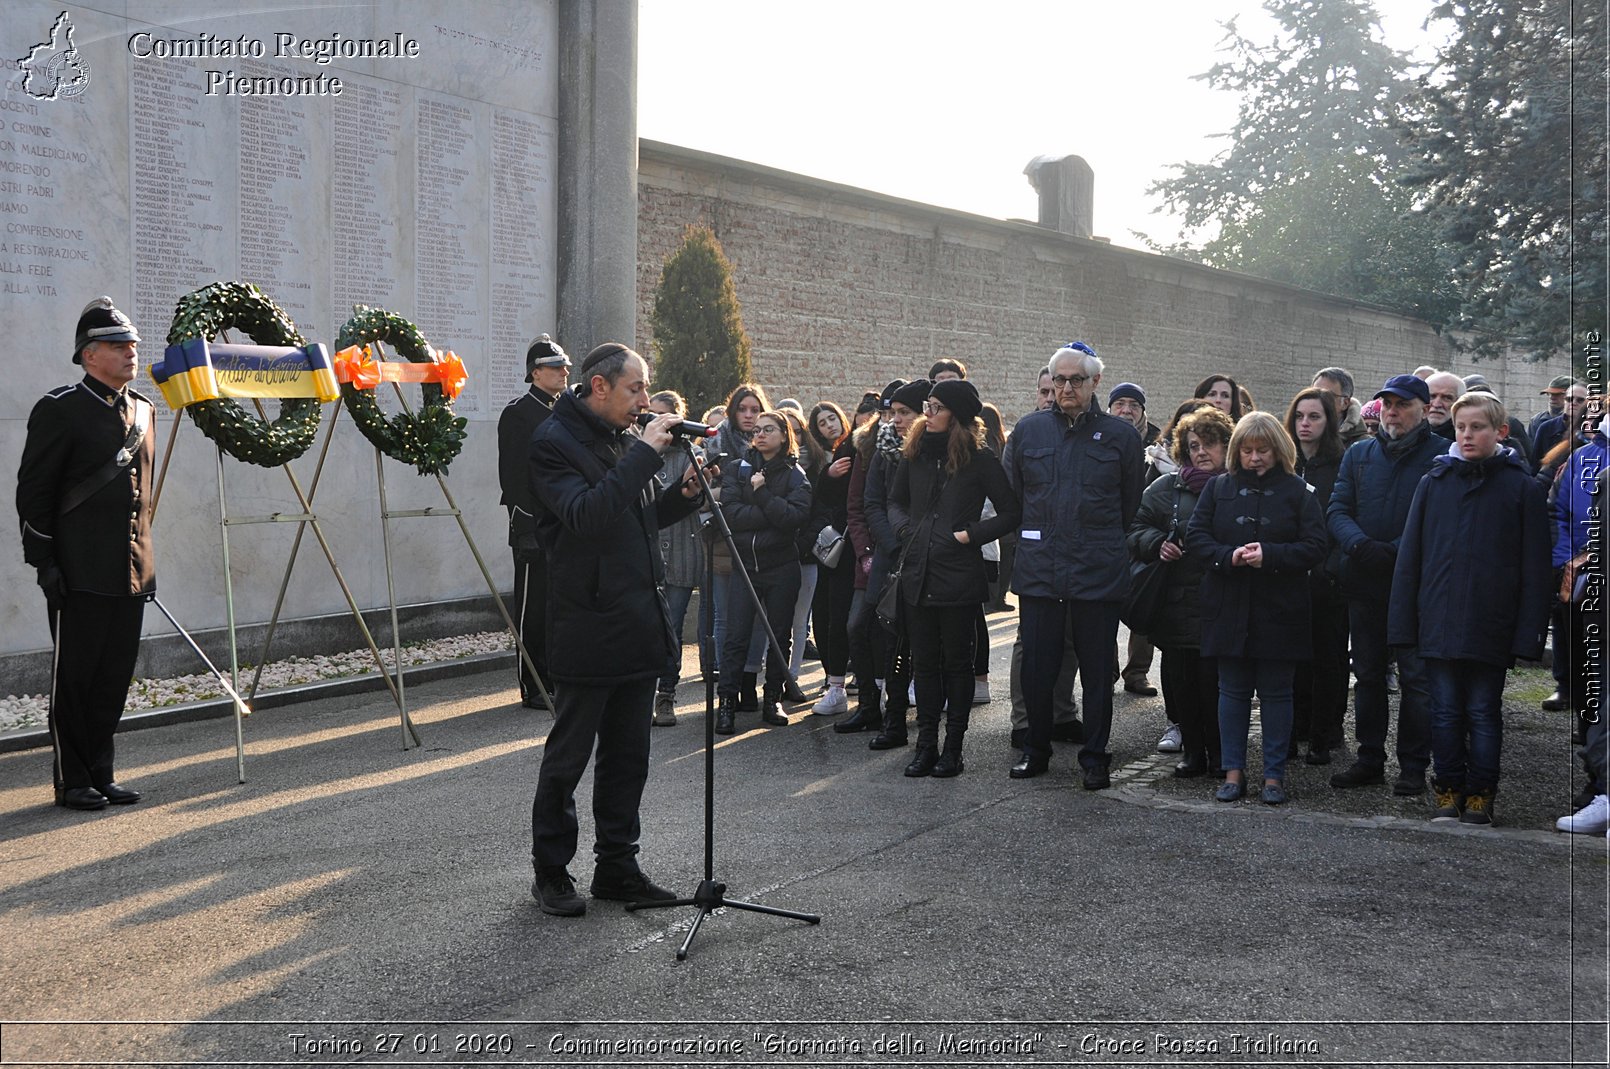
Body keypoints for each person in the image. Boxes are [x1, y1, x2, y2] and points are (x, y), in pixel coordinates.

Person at [526, 343, 705, 916]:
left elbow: (632, 520)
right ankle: (552, 871)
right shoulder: (552, 443)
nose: (645, 404)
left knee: (629, 757)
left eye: (647, 392)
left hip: (634, 622)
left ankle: (617, 868)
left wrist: (681, 498)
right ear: (599, 387)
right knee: (569, 757)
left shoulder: (617, 439)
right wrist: (647, 456)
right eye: (636, 391)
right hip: (587, 624)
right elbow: (585, 517)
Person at [16, 296, 154, 811]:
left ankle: (102, 772)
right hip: (78, 569)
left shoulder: (144, 409)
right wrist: (45, 562)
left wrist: (143, 562)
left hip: (131, 570)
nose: (130, 352)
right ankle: (72, 779)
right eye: (118, 345)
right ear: (88, 354)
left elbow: (143, 495)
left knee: (113, 676)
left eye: (133, 344)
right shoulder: (60, 409)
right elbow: (34, 493)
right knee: (75, 678)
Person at [1389, 391, 1552, 826]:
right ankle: (1447, 788)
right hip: (1438, 621)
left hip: (1490, 623)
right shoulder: (1435, 482)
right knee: (1442, 711)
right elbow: (1411, 558)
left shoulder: (1521, 487)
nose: (1466, 435)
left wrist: (1528, 633)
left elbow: (1534, 568)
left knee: (1482, 711)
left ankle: (1480, 792)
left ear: (1499, 432)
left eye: (1477, 427)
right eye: (1460, 427)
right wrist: (1404, 623)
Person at [1007, 342, 1143, 788]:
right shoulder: (1028, 432)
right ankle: (1036, 749)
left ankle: (1095, 757)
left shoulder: (1122, 437)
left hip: (1097, 570)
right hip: (1042, 570)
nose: (1067, 388)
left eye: (1076, 380)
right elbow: (1017, 498)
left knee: (1098, 671)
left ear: (1094, 382)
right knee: (1038, 670)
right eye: (1059, 380)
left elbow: (1129, 506)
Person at [1187, 412, 1328, 805]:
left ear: (1278, 450)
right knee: (1230, 692)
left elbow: (1316, 546)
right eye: (1247, 450)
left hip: (1280, 608)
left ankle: (1274, 776)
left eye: (1262, 450)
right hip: (1228, 605)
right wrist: (1228, 556)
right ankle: (1233, 772)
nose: (1254, 458)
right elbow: (1197, 537)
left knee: (1277, 693)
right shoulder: (1218, 488)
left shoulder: (1300, 491)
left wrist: (1272, 555)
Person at [888, 379, 1020, 777]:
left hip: (959, 575)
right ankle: (926, 744)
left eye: (936, 407)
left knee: (957, 664)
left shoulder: (980, 460)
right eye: (927, 405)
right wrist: (904, 531)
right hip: (917, 572)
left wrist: (971, 535)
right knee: (923, 663)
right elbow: (894, 501)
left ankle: (954, 748)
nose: (927, 414)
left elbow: (1012, 512)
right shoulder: (914, 453)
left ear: (958, 416)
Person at [1327, 374, 1449, 795]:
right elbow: (1338, 506)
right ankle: (1369, 758)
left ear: (1422, 408)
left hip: (1415, 587)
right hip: (1364, 581)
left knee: (1416, 679)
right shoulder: (1360, 453)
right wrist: (1358, 543)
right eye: (1387, 405)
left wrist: (1396, 551)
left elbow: (1440, 520)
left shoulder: (1440, 456)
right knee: (1368, 675)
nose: (1392, 413)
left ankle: (1414, 765)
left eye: (1401, 405)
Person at [1127, 406, 1234, 778]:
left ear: (1226, 446)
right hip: (1174, 602)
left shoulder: (1238, 486)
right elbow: (1134, 528)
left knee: (1217, 685)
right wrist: (1157, 542)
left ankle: (1222, 754)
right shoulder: (1165, 487)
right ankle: (1193, 752)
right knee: (1182, 685)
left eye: (1209, 444)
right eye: (1192, 445)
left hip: (1221, 602)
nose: (1201, 452)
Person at [714, 409, 813, 734]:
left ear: (784, 435)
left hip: (782, 567)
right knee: (735, 636)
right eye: (757, 429)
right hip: (745, 566)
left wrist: (761, 494)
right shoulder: (737, 468)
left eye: (768, 429)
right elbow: (730, 515)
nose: (760, 434)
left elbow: (791, 521)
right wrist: (769, 512)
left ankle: (772, 700)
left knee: (779, 635)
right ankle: (726, 703)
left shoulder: (797, 476)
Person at [498, 334, 570, 709]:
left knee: (559, 606)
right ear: (536, 372)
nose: (564, 373)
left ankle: (556, 677)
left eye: (564, 367)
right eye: (556, 367)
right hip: (534, 526)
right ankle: (533, 683)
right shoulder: (518, 413)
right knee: (533, 608)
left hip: (563, 523)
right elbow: (512, 477)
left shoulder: (563, 411)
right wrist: (524, 527)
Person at [862, 378, 928, 748]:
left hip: (929, 559)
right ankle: (893, 720)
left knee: (926, 646)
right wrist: (893, 543)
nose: (895, 420)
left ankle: (931, 728)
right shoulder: (883, 451)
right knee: (892, 645)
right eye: (894, 413)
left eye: (905, 413)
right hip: (893, 558)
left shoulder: (932, 452)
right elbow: (874, 503)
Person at [1285, 386, 1349, 764]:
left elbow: (1341, 517)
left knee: (1329, 657)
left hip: (1328, 577)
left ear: (1329, 421)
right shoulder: (1285, 462)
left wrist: (1330, 567)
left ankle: (1327, 729)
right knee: (1293, 656)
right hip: (1290, 575)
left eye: (1314, 417)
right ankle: (1297, 724)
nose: (1305, 424)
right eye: (1299, 417)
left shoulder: (1342, 463)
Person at [704, 383, 771, 713]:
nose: (748, 416)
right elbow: (702, 494)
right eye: (742, 409)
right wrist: (730, 496)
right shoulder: (715, 441)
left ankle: (748, 681)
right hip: (722, 540)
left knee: (758, 617)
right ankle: (725, 684)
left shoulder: (770, 443)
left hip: (758, 543)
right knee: (725, 616)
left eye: (754, 410)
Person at [649, 389, 711, 727]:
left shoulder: (693, 452)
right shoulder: (641, 450)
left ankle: (666, 694)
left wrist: (697, 488)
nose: (655, 421)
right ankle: (643, 693)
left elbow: (702, 506)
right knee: (650, 629)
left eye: (663, 415)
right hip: (652, 552)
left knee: (672, 628)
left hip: (685, 551)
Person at [1107, 381, 1160, 697]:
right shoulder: (1097, 438)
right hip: (1108, 535)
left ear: (1143, 411)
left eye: (1134, 405)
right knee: (1105, 608)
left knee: (1145, 603)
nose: (1126, 410)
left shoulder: (1158, 444)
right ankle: (1108, 670)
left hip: (1144, 535)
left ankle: (1137, 672)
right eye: (1120, 404)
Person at [807, 400, 857, 716]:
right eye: (822, 423)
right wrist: (828, 474)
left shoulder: (854, 447)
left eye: (832, 419)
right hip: (826, 543)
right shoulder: (814, 458)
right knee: (826, 613)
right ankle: (833, 679)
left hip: (852, 540)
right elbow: (815, 496)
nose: (829, 426)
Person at [1313, 366, 1368, 448]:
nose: (1318, 401)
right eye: (1313, 394)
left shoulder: (1364, 447)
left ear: (1345, 403)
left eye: (1327, 396)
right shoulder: (1297, 436)